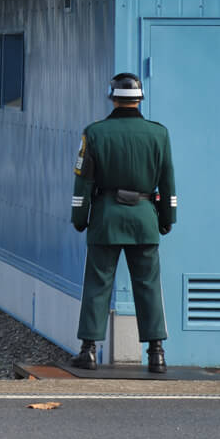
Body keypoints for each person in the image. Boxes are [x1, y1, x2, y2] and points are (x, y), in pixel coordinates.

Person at [70, 72, 176, 374]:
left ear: (112, 97)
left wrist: (80, 217)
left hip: (106, 218)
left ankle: (88, 350)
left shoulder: (95, 133)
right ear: (140, 99)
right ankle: (156, 353)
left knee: (97, 284)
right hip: (144, 219)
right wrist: (167, 219)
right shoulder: (159, 134)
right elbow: (168, 182)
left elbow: (84, 183)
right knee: (148, 286)